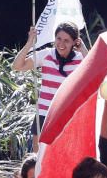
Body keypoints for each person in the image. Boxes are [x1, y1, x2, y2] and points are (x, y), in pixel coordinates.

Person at [12, 21, 88, 149]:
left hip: (68, 115)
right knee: (37, 160)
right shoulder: (47, 54)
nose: (61, 44)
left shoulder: (81, 59)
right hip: (44, 114)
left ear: (74, 42)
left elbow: (96, 70)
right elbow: (17, 66)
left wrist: (84, 49)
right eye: (58, 38)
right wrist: (30, 43)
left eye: (66, 40)